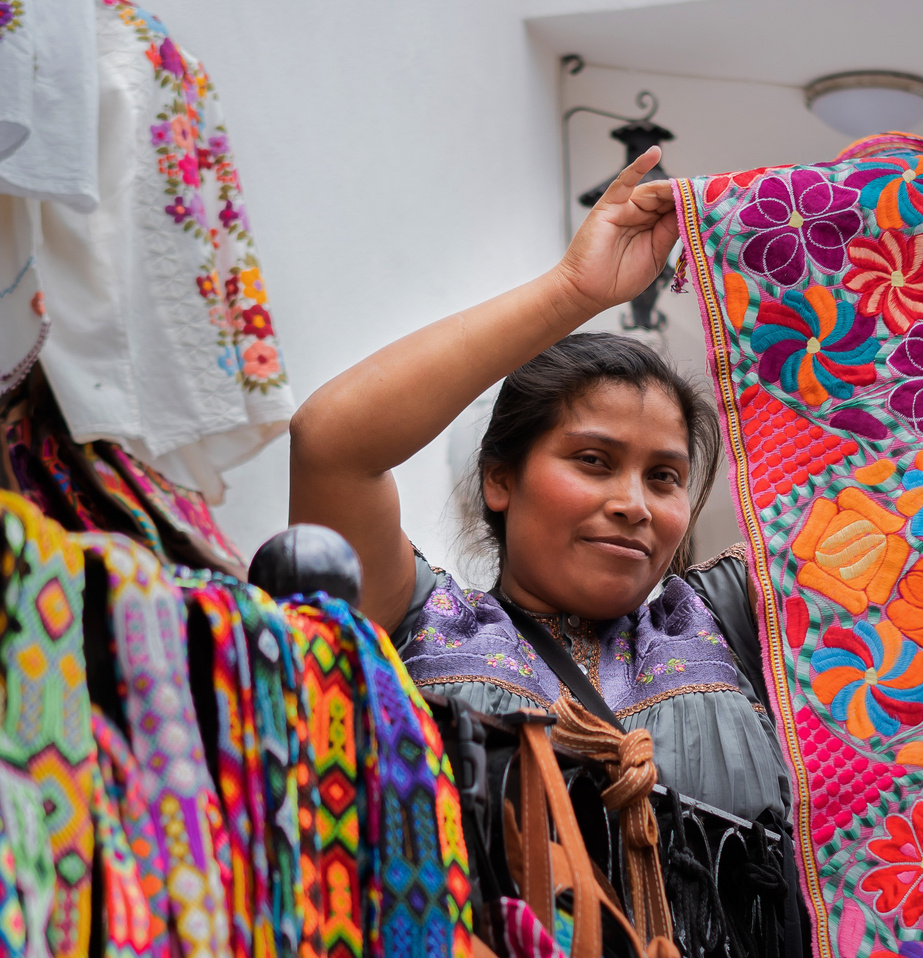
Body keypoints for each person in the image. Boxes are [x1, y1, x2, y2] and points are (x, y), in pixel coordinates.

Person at [287, 147, 786, 823]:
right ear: (500, 479)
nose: (633, 505)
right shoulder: (412, 624)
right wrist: (573, 292)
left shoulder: (740, 622)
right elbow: (331, 443)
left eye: (663, 476)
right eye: (593, 461)